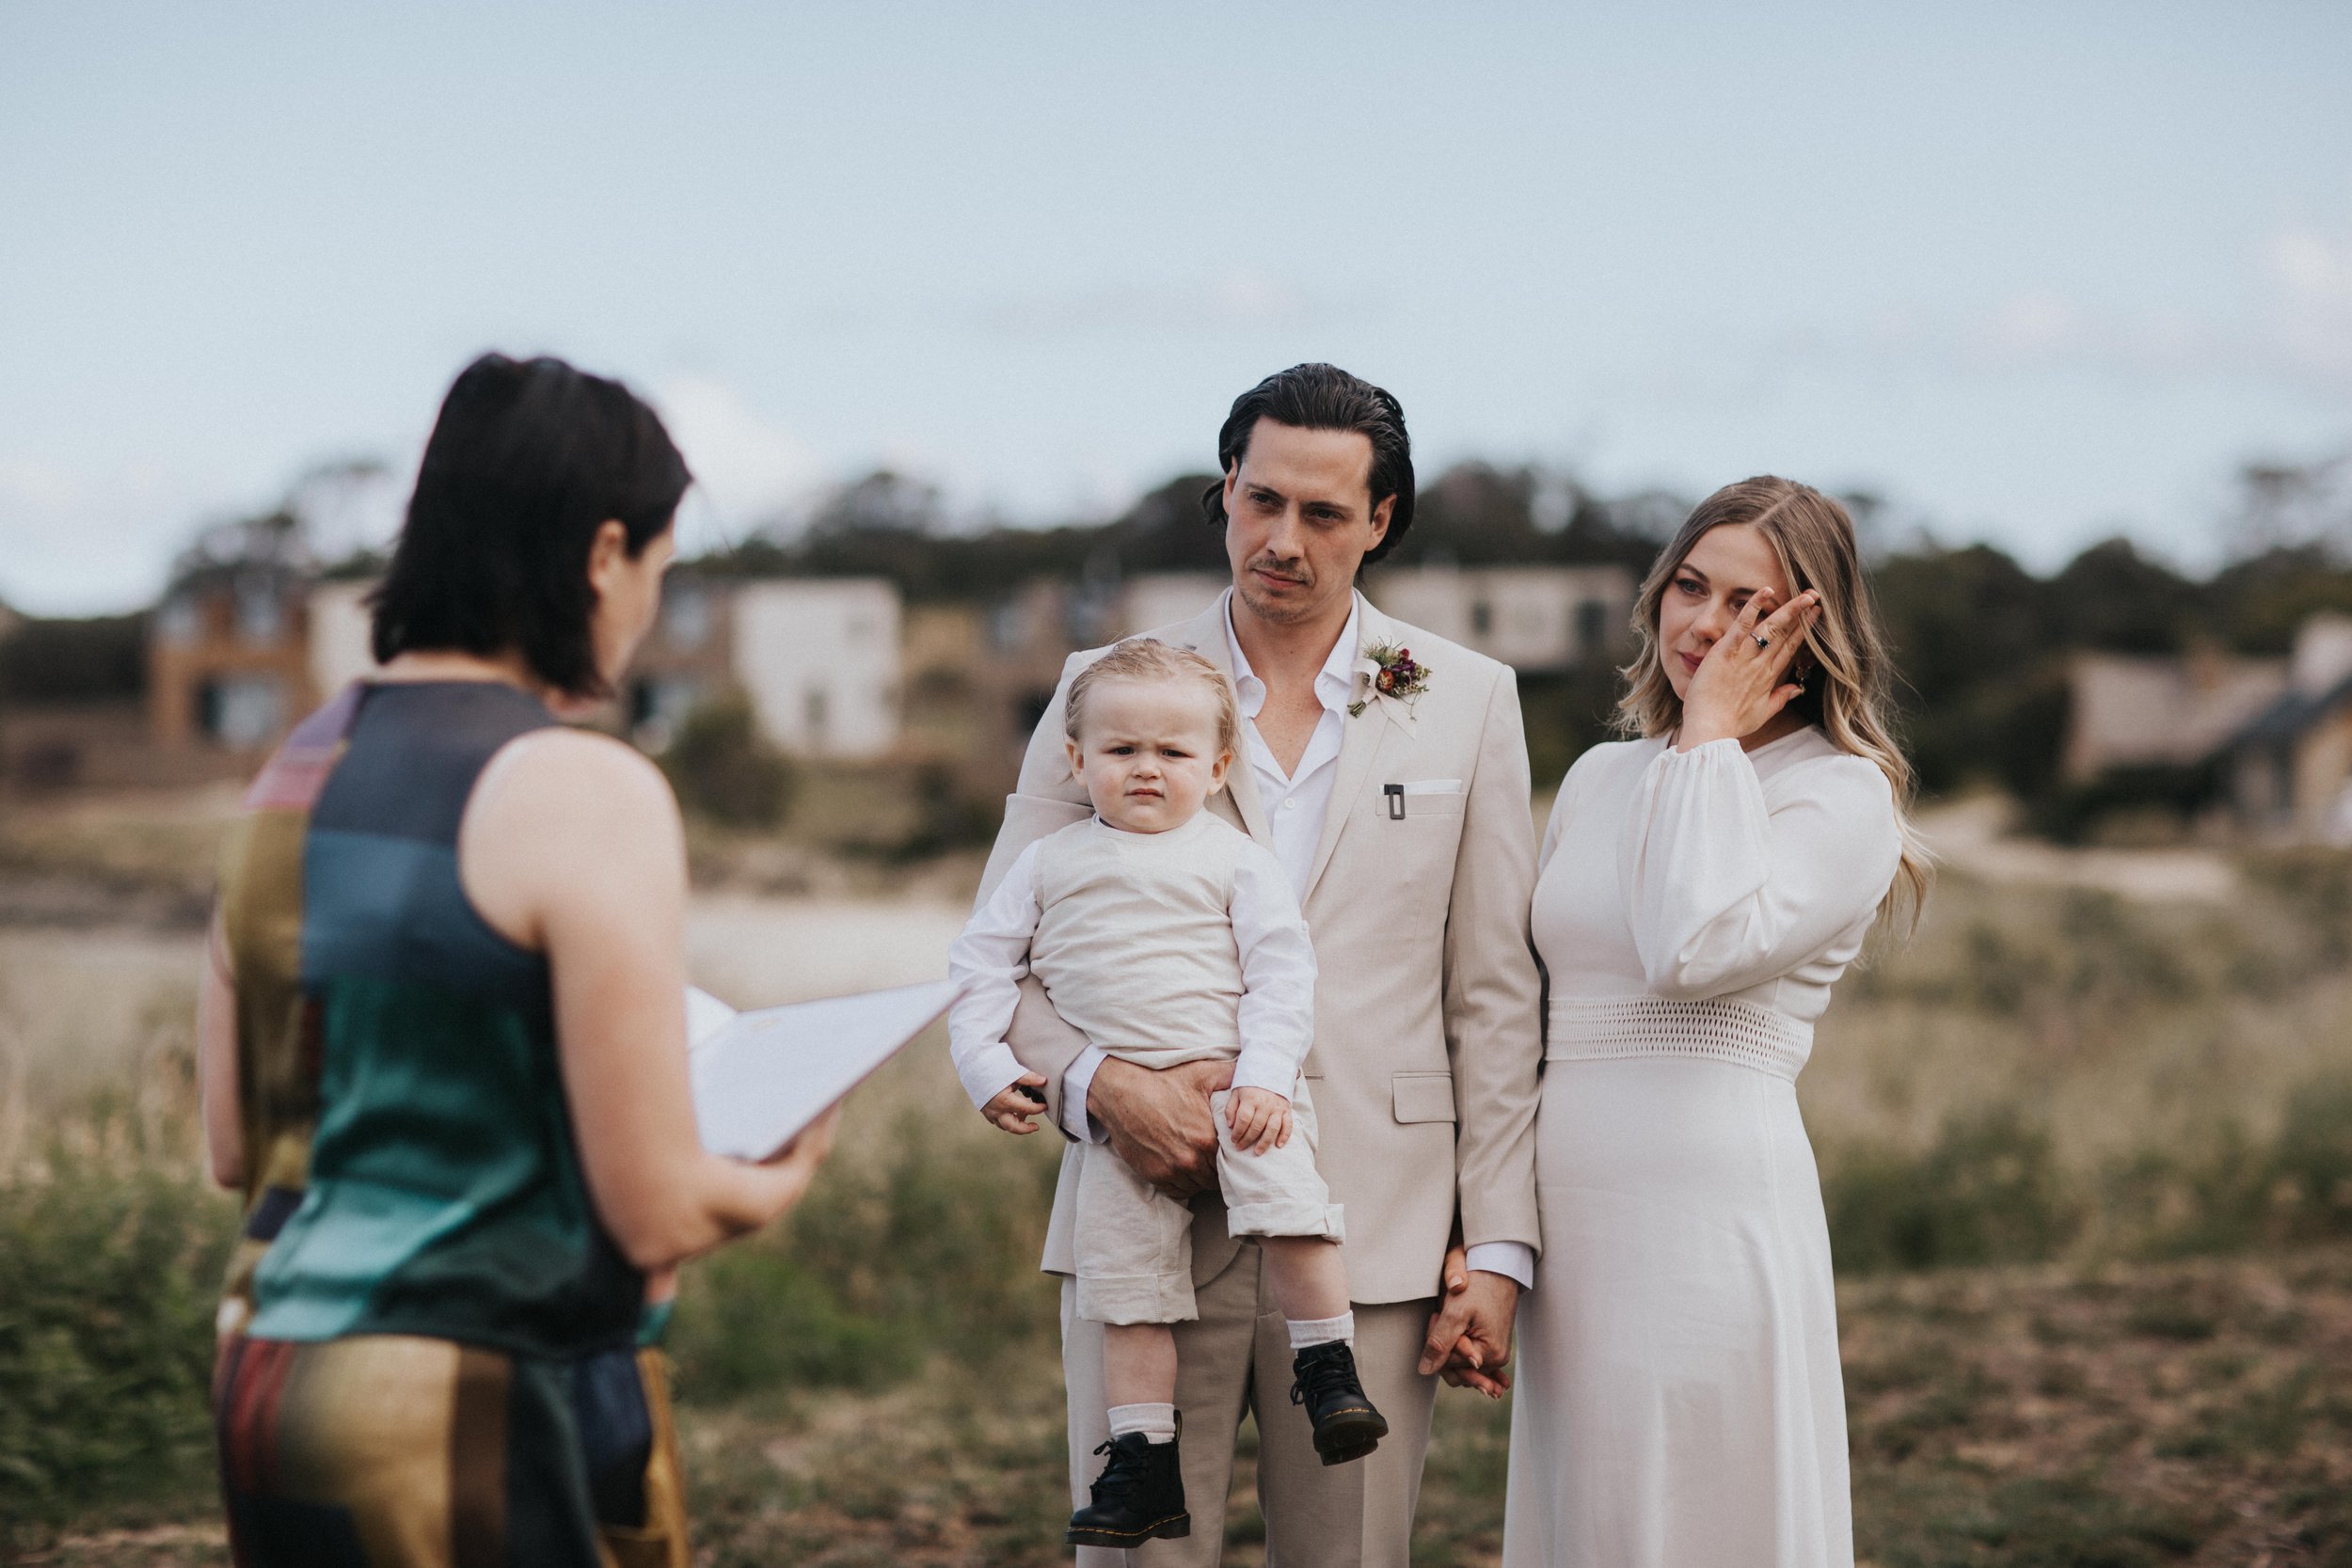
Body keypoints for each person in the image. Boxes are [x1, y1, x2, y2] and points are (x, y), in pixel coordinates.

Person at [199, 353, 835, 1567]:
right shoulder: (578, 784)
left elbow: (237, 1146)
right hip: (473, 1403)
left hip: (269, 1385)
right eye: (656, 567)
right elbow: (653, 1201)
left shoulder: (286, 773)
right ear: (603, 553)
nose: (647, 607)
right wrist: (785, 1162)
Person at [975, 362, 1544, 1567]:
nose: (1281, 540)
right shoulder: (1103, 689)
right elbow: (1000, 949)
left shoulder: (1472, 701)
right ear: (1224, 489)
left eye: (1324, 513)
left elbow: (1493, 998)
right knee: (1134, 1556)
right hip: (1140, 1209)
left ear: (1380, 521)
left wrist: (1494, 1248)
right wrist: (1099, 1088)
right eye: (1261, 500)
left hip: (1370, 1229)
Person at [1501, 476, 1931, 1568]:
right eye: (1691, 585)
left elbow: (1690, 947)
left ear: (1807, 626)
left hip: (1705, 1212)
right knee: (1592, 1511)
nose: (1706, 623)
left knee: (1698, 1512)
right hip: (1568, 1215)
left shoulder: (1840, 795)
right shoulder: (1601, 777)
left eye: (1749, 603)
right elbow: (1521, 1002)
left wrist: (1706, 733)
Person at [950, 639, 1386, 1550]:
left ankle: (1328, 1366)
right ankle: (1142, 1460)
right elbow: (981, 967)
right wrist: (988, 1069)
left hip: (1238, 1090)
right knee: (1128, 1292)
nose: (1146, 767)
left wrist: (1265, 1076)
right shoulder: (1047, 861)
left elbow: (1281, 975)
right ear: (1077, 760)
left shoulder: (1231, 857)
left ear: (1217, 766)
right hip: (1116, 1130)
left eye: (1173, 752)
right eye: (1120, 750)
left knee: (1297, 1217)